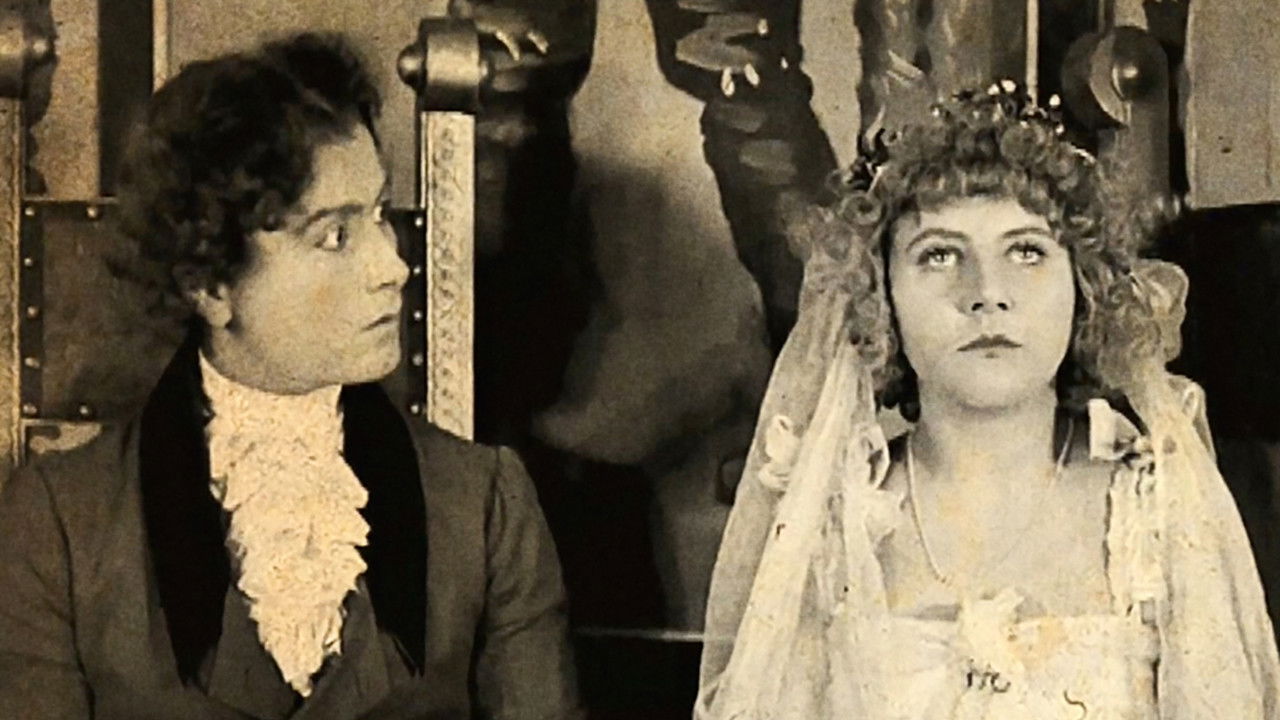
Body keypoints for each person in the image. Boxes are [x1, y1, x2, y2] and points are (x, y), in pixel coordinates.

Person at [0, 33, 582, 720]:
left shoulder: (487, 506)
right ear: (211, 283)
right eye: (334, 235)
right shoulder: (60, 524)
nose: (393, 267)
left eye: (378, 215)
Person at [695, 81, 1280, 719]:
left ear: (1083, 284)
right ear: (878, 293)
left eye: (1027, 251)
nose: (986, 293)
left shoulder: (1154, 513)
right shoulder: (833, 520)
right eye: (940, 255)